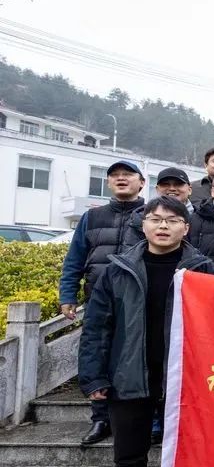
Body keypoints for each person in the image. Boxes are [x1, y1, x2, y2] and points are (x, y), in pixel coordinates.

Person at [77, 196, 214, 467]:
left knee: (190, 456)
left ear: (186, 227)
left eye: (172, 220)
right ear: (144, 225)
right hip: (129, 377)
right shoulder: (118, 270)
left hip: (185, 381)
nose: (163, 226)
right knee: (128, 457)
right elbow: (96, 327)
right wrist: (94, 376)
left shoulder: (204, 270)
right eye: (155, 219)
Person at [60, 159, 147, 446]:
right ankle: (100, 418)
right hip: (98, 298)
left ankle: (138, 416)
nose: (121, 179)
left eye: (128, 175)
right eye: (115, 175)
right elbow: (74, 259)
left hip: (137, 300)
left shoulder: (150, 215)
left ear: (141, 183)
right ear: (108, 183)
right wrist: (67, 296)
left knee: (136, 356)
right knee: (97, 353)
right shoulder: (92, 217)